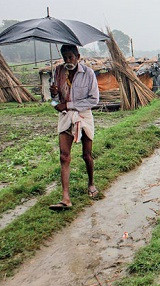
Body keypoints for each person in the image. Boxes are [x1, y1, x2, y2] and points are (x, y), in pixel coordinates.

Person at [48, 44, 99, 210]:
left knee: (87, 155)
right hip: (65, 117)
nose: (68, 60)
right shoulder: (58, 72)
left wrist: (69, 104)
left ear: (78, 56)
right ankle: (65, 198)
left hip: (84, 116)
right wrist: (54, 95)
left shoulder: (88, 73)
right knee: (64, 156)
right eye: (65, 57)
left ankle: (91, 183)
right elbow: (54, 102)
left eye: (71, 57)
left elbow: (93, 100)